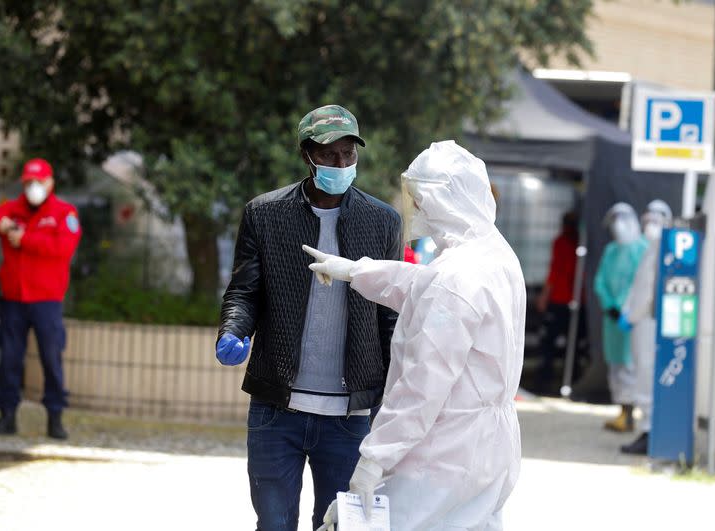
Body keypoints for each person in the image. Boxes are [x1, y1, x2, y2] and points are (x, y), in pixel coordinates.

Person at [308, 140, 526, 531]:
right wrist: (356, 271)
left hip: (445, 450)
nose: (417, 208)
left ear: (443, 200)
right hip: (490, 446)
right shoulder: (493, 254)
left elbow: (422, 385)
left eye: (421, 198)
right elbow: (422, 284)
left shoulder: (456, 278)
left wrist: (374, 459)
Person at [216, 104, 402, 531]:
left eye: (348, 155)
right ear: (307, 155)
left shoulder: (382, 222)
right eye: (329, 154)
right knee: (274, 523)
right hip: (276, 407)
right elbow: (245, 291)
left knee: (339, 526)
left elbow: (390, 318)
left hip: (350, 415)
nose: (340, 164)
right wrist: (233, 330)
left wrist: (393, 395)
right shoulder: (264, 215)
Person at [0, 158, 81, 439]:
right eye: (29, 182)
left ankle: (55, 418)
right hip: (13, 300)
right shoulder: (13, 209)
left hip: (46, 301)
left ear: (50, 183)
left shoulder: (63, 212)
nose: (34, 187)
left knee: (51, 359)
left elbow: (63, 248)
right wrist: (2, 222)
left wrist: (27, 239)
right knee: (9, 359)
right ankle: (6, 416)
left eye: (39, 181)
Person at [619, 200, 673, 454]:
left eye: (656, 219)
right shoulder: (652, 248)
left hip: (648, 322)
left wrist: (631, 316)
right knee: (643, 373)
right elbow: (638, 285)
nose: (650, 224)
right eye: (647, 219)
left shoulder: (661, 249)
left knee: (646, 376)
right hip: (642, 321)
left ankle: (650, 431)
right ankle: (648, 429)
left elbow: (647, 293)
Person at [593, 202, 648, 432]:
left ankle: (631, 414)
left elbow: (640, 284)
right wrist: (611, 306)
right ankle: (622, 412)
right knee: (616, 365)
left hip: (633, 318)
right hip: (613, 319)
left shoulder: (642, 249)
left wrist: (626, 308)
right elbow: (600, 281)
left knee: (632, 365)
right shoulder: (611, 251)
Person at [534, 211, 581, 394]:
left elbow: (555, 270)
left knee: (549, 344)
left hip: (560, 299)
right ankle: (570, 379)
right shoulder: (578, 242)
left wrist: (545, 296)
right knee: (573, 345)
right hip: (574, 300)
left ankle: (545, 381)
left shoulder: (562, 242)